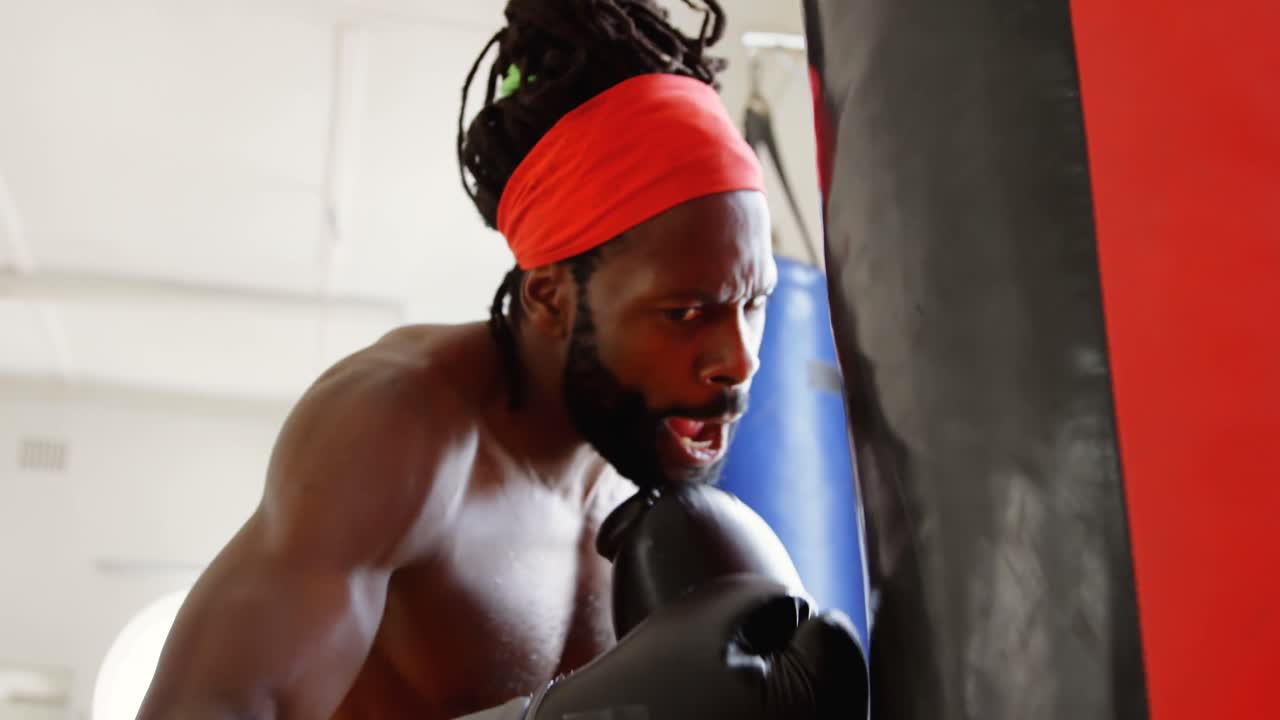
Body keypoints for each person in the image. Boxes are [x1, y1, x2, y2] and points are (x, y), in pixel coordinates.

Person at [137, 2, 860, 718]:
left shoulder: (665, 506)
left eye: (754, 303)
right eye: (684, 312)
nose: (738, 360)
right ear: (550, 297)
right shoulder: (403, 433)